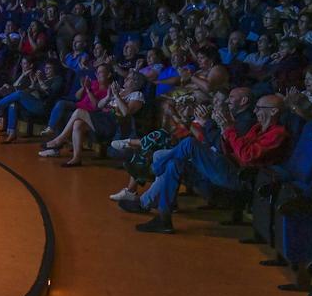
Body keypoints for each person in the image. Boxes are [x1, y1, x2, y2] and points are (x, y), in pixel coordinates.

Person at [119, 94, 289, 234]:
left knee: (189, 144)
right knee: (173, 164)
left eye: (259, 108)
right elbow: (228, 148)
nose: (255, 111)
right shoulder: (257, 128)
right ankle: (164, 219)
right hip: (226, 165)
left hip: (240, 177)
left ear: (274, 111)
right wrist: (225, 130)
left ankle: (152, 166)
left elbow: (246, 156)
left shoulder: (278, 133)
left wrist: (228, 128)